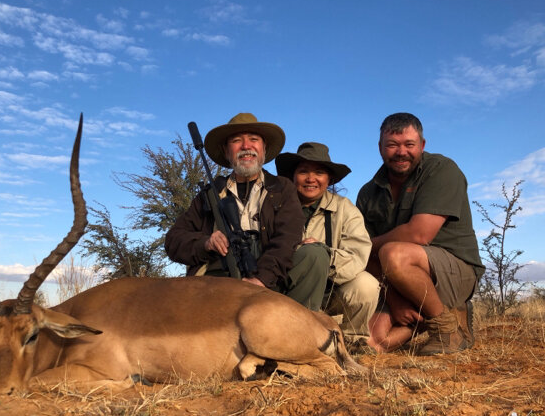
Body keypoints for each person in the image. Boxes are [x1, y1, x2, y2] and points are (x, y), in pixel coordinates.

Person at [356, 112, 484, 355]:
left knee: (394, 254)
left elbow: (419, 235)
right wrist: (395, 299)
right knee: (374, 343)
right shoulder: (367, 192)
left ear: (422, 145)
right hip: (395, 282)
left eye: (409, 144)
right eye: (392, 145)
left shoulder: (442, 169)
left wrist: (367, 246)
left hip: (454, 273)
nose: (401, 151)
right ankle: (441, 314)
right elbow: (364, 256)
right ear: (380, 148)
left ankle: (446, 329)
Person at [165, 112, 308, 296]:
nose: (246, 146)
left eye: (254, 139)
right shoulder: (209, 194)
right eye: (237, 141)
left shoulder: (283, 188)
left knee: (313, 255)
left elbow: (287, 239)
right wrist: (205, 243)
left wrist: (261, 280)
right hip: (218, 284)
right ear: (226, 151)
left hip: (269, 281)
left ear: (264, 148)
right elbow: (173, 240)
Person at [275, 142, 380, 349]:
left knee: (366, 285)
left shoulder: (345, 208)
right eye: (303, 171)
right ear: (293, 176)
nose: (311, 179)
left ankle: (352, 342)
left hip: (330, 293)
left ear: (329, 179)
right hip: (286, 291)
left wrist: (324, 255)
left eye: (319, 172)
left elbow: (358, 256)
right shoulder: (275, 205)